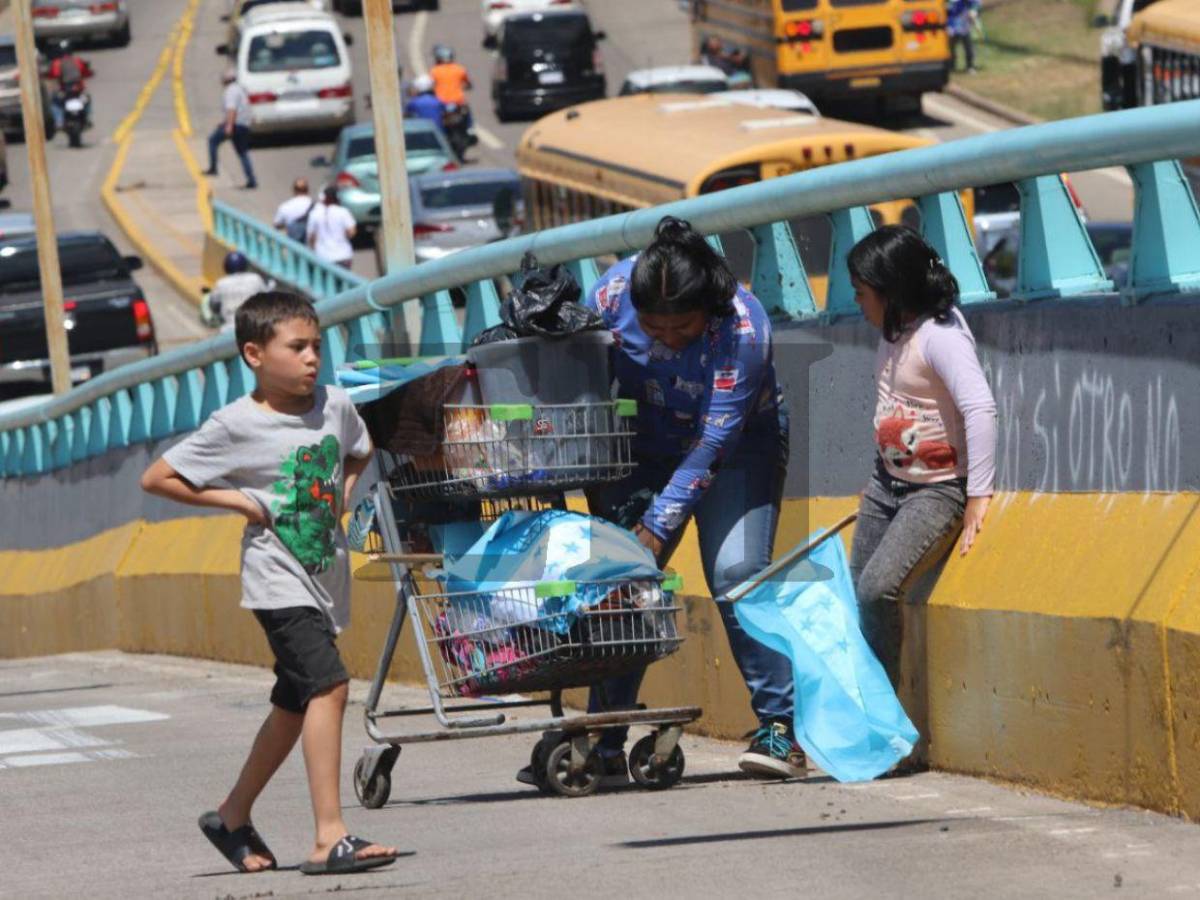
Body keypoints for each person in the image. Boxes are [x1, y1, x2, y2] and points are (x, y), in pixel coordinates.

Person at [522, 216, 801, 784]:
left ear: (710, 312)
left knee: (738, 571)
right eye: (653, 330)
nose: (667, 340)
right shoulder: (611, 294)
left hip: (738, 449)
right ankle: (603, 736)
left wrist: (656, 526)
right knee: (622, 579)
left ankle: (780, 728)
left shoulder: (745, 330)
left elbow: (713, 443)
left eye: (683, 330)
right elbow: (583, 378)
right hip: (645, 445)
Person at [140, 291, 399, 876]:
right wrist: (234, 498)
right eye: (297, 347)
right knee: (328, 687)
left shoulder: (334, 406)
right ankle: (329, 836)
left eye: (317, 345)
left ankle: (230, 817)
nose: (312, 358)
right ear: (254, 354)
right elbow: (158, 477)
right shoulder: (236, 424)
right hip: (275, 578)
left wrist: (348, 490)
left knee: (293, 704)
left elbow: (360, 449)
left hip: (323, 576)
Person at [846, 226, 996, 757]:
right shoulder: (894, 329)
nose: (857, 302)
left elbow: (978, 408)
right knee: (854, 588)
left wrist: (977, 493)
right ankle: (870, 722)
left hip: (936, 492)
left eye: (863, 292)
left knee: (876, 589)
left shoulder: (941, 335)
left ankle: (892, 734)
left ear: (891, 289)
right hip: (887, 485)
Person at [205, 67, 257, 190]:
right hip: (243, 125)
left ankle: (213, 168)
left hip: (235, 125)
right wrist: (224, 123)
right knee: (243, 153)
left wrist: (228, 126)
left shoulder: (230, 91)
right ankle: (251, 180)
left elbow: (232, 110)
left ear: (228, 79)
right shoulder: (240, 89)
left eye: (223, 77)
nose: (221, 79)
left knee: (212, 141)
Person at [203, 251, 272, 331]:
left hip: (229, 327)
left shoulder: (221, 283)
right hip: (254, 326)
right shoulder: (255, 278)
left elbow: (213, 305)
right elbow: (267, 300)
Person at [306, 185, 356, 269]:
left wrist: (313, 249)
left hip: (323, 256)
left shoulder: (315, 214)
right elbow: (352, 232)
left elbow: (311, 237)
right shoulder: (343, 212)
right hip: (343, 255)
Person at [46, 39, 92, 132]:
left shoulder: (56, 63)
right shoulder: (77, 61)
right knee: (87, 100)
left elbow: (52, 75)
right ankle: (87, 119)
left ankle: (59, 121)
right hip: (77, 91)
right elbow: (86, 72)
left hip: (65, 92)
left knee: (55, 103)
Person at [273, 178, 316, 244]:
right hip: (310, 246)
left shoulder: (285, 206)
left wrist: (289, 224)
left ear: (294, 190)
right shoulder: (316, 207)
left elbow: (276, 224)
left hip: (293, 244)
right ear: (307, 190)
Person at [947, 0, 982, 73]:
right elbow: (948, 12)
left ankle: (970, 66)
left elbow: (976, 4)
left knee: (968, 48)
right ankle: (951, 66)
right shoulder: (950, 3)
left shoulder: (966, 2)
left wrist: (974, 11)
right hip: (952, 27)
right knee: (951, 48)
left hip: (964, 27)